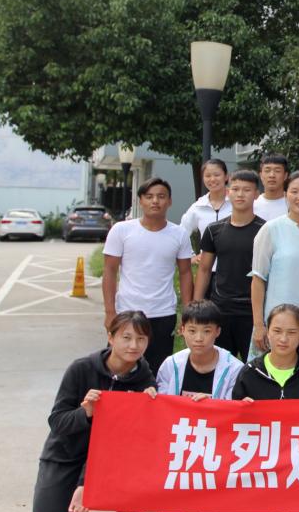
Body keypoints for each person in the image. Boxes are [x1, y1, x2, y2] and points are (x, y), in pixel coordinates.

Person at [32, 311, 157, 512]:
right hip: (65, 455)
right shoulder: (81, 369)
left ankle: (125, 506)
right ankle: (73, 498)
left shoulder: (145, 381)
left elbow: (127, 440)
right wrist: (85, 413)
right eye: (126, 337)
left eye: (141, 339)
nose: (133, 345)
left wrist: (148, 408)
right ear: (110, 337)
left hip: (111, 460)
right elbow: (57, 422)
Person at [220, 305, 299, 512]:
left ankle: (293, 511)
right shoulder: (250, 372)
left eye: (291, 332)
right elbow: (231, 425)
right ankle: (265, 509)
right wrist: (240, 410)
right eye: (277, 331)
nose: (283, 339)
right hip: (256, 465)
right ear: (267, 332)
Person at [150, 301, 243, 512]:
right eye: (192, 330)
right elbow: (161, 409)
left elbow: (237, 413)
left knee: (209, 510)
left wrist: (212, 408)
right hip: (180, 439)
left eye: (206, 331)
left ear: (218, 332)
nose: (199, 338)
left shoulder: (234, 368)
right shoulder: (171, 364)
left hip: (218, 441)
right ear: (182, 330)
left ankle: (224, 502)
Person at [102, 177, 194, 375]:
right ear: (140, 201)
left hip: (163, 313)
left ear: (169, 201)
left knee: (157, 371)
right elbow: (109, 271)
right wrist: (110, 312)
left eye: (161, 196)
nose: (155, 201)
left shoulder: (179, 234)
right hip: (126, 311)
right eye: (149, 196)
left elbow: (186, 273)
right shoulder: (122, 230)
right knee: (119, 368)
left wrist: (187, 313)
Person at [249, 171, 299, 365]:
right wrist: (259, 325)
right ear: (285, 194)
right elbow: (258, 280)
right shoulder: (270, 229)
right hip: (277, 324)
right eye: (294, 191)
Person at [194, 170, 265, 360]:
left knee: (255, 366)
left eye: (247, 190)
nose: (240, 194)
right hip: (221, 308)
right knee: (220, 364)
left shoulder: (265, 230)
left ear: (256, 194)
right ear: (228, 192)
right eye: (235, 189)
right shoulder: (214, 230)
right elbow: (204, 269)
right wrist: (196, 305)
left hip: (252, 311)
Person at [179, 158, 232, 262]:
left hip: (236, 266)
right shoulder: (198, 207)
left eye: (217, 175)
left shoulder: (237, 201)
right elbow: (181, 233)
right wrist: (191, 256)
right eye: (207, 176)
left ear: (226, 176)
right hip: (207, 268)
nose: (212, 179)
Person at [252, 154, 290, 221]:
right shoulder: (252, 205)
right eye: (267, 171)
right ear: (261, 175)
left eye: (277, 171)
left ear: (285, 176)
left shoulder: (293, 204)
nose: (272, 175)